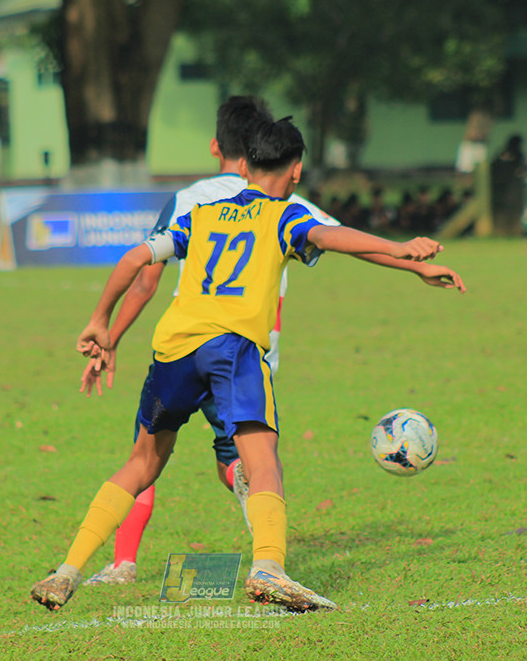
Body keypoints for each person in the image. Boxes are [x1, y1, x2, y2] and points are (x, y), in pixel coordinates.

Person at [30, 116, 460, 613]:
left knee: (142, 464)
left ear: (246, 163)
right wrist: (408, 254)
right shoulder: (285, 216)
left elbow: (134, 260)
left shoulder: (202, 215)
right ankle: (269, 569)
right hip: (231, 351)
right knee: (262, 464)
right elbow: (338, 239)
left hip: (173, 348)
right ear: (295, 171)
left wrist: (100, 322)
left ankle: (67, 571)